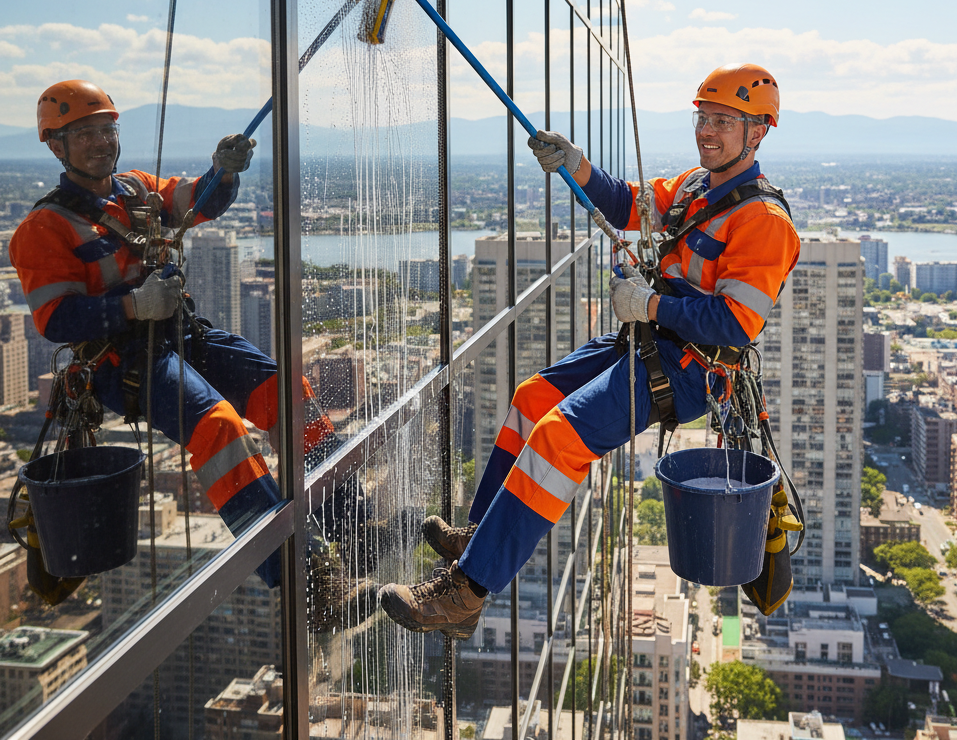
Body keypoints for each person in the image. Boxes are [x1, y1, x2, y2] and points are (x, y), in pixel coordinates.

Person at [379, 63, 801, 637]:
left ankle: (465, 595)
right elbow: (627, 205)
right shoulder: (695, 188)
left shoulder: (763, 220)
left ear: (758, 132)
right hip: (651, 341)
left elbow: (734, 323)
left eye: (723, 121)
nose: (706, 130)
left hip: (692, 366)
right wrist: (574, 163)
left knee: (558, 436)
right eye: (702, 117)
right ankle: (479, 538)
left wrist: (651, 306)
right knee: (533, 399)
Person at [10, 80, 356, 614]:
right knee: (219, 428)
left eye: (107, 129)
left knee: (282, 390)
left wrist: (226, 170)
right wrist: (132, 305)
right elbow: (56, 319)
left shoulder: (136, 190)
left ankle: (348, 518)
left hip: (179, 333)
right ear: (56, 145)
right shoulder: (44, 227)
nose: (102, 142)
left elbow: (199, 201)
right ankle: (303, 579)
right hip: (121, 359)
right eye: (85, 134)